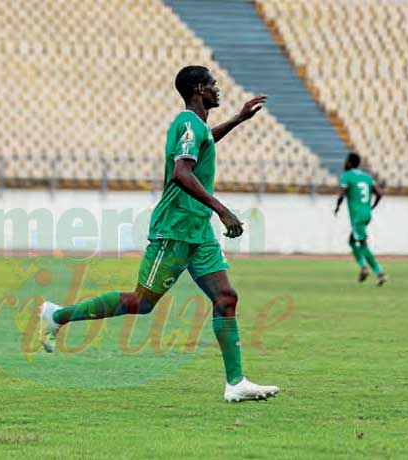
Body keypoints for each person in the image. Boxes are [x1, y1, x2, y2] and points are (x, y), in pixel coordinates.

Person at [38, 66, 280, 402]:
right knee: (141, 302)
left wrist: (238, 119)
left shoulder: (198, 128)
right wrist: (221, 209)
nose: (217, 89)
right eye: (213, 84)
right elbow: (182, 173)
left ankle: (235, 382)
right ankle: (57, 315)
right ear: (198, 89)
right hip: (175, 229)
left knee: (226, 298)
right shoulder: (187, 124)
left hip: (198, 232)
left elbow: (205, 142)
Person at [334, 152, 385, 285]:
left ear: (350, 162)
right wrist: (371, 207)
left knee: (363, 245)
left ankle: (379, 272)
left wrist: (337, 207)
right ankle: (363, 267)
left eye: (346, 161)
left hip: (357, 216)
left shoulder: (346, 176)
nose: (344, 163)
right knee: (351, 241)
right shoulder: (367, 177)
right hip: (366, 213)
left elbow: (341, 194)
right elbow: (379, 194)